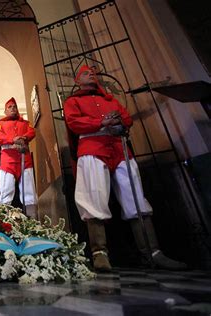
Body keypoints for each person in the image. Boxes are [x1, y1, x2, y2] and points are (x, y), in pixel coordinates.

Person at [64, 64, 187, 271]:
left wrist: (119, 123)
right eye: (86, 73)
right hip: (92, 148)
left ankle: (152, 252)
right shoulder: (73, 101)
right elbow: (75, 123)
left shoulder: (110, 100)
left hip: (119, 149)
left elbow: (127, 118)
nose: (91, 74)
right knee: (94, 198)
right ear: (77, 81)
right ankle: (99, 253)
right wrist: (102, 122)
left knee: (135, 197)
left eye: (93, 72)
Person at [0, 97, 38, 219]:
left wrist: (23, 138)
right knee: (6, 191)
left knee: (30, 192)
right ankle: (4, 222)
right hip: (7, 161)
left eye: (14, 107)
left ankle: (32, 222)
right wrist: (12, 139)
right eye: (10, 107)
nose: (13, 108)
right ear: (5, 111)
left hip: (25, 159)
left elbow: (32, 132)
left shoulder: (25, 123)